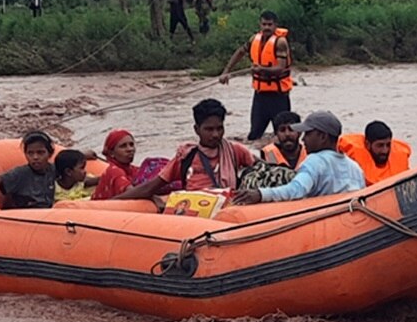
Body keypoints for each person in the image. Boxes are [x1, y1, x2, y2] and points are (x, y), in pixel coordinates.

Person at [116, 99, 255, 200]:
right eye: (209, 129)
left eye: (219, 128)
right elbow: (151, 186)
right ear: (196, 130)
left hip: (227, 210)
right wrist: (115, 201)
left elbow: (262, 170)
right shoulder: (186, 156)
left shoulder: (235, 151)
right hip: (193, 214)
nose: (215, 134)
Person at [231, 111, 365, 205]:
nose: (303, 138)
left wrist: (260, 194)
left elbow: (296, 190)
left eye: (308, 133)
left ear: (323, 137)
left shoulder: (315, 161)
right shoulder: (355, 167)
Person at [219, 10, 292, 141]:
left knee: (283, 137)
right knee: (253, 136)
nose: (266, 28)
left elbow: (280, 68)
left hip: (279, 97)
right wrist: (226, 71)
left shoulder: (280, 42)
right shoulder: (254, 39)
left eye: (270, 24)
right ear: (260, 24)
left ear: (275, 25)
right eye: (264, 24)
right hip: (260, 97)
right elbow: (240, 52)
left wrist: (261, 69)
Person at [338, 120, 412, 185]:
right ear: (368, 144)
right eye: (380, 145)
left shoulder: (400, 159)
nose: (385, 150)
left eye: (388, 145)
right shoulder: (351, 163)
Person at [92, 129, 140, 201]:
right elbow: (132, 192)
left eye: (131, 144)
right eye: (123, 146)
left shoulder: (133, 170)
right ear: (111, 153)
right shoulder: (114, 171)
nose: (130, 149)